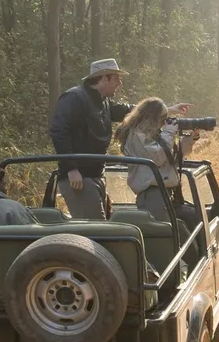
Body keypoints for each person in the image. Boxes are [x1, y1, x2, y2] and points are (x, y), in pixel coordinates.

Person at [49, 58, 190, 219]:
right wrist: (71, 168)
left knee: (103, 226)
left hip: (95, 174)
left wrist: (169, 110)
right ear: (104, 78)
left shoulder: (104, 102)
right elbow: (58, 130)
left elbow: (133, 111)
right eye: (116, 78)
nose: (120, 83)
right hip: (79, 177)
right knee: (97, 231)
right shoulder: (74, 97)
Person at [114, 97, 199, 232]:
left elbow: (172, 159)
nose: (163, 123)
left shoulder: (153, 134)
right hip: (152, 196)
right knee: (171, 234)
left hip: (166, 193)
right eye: (162, 119)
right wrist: (169, 131)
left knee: (192, 217)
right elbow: (157, 157)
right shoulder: (137, 136)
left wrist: (191, 139)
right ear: (152, 118)